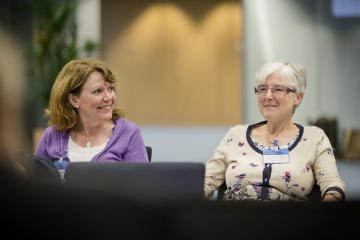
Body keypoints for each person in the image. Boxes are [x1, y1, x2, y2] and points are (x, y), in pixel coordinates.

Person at [204, 61, 346, 201]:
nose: (268, 96)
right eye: (263, 89)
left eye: (278, 89)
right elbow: (206, 182)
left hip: (289, 221)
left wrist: (321, 218)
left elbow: (332, 185)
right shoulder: (236, 135)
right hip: (235, 219)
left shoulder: (314, 138)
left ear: (298, 97)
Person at [35, 58, 149, 174]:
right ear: (74, 100)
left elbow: (142, 185)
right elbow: (35, 181)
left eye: (110, 89)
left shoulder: (129, 133)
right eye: (98, 91)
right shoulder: (53, 135)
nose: (108, 97)